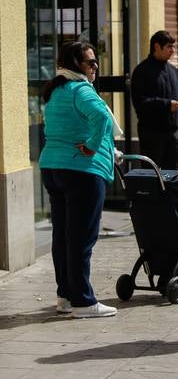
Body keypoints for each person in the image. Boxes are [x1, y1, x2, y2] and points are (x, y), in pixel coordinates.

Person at [39, 41, 118, 318]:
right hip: (82, 171)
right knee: (81, 239)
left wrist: (99, 145)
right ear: (75, 65)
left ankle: (65, 297)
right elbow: (101, 119)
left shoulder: (57, 90)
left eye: (95, 61)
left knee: (62, 237)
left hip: (53, 168)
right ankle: (84, 302)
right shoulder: (82, 89)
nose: (95, 66)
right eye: (90, 62)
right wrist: (93, 146)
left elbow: (69, 125)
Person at [131, 30, 178, 169]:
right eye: (169, 47)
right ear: (157, 47)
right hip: (151, 134)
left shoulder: (173, 71)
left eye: (173, 47)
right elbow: (140, 103)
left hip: (172, 134)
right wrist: (166, 105)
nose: (173, 51)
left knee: (171, 176)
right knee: (152, 176)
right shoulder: (142, 71)